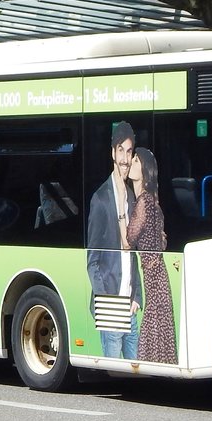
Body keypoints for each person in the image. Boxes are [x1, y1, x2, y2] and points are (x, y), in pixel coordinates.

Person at [86, 120, 141, 359]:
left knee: (136, 370)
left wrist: (136, 297)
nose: (125, 159)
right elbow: (92, 260)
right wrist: (106, 301)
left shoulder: (130, 196)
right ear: (112, 153)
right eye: (121, 150)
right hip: (111, 305)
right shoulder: (101, 199)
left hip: (129, 305)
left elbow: (133, 255)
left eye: (129, 152)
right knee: (114, 371)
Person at [127, 147, 177, 363]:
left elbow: (130, 237)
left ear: (145, 169)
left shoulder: (143, 202)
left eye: (136, 160)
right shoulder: (151, 201)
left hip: (153, 275)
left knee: (153, 322)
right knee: (157, 324)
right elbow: (162, 239)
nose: (131, 163)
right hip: (157, 274)